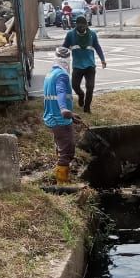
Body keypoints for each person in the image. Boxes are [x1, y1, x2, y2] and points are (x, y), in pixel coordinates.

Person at [42, 47, 76, 185]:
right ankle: (62, 183)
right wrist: (64, 109)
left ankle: (60, 174)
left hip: (52, 117)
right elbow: (61, 92)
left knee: (61, 147)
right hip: (60, 119)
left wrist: (72, 115)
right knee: (67, 150)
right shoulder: (62, 75)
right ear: (68, 61)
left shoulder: (50, 74)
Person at [64, 15, 107, 114]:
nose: (82, 28)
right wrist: (61, 61)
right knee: (75, 86)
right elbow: (64, 48)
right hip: (77, 65)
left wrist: (103, 60)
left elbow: (97, 47)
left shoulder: (92, 34)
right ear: (76, 25)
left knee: (90, 87)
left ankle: (87, 108)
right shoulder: (70, 35)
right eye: (80, 26)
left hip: (90, 65)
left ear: (86, 25)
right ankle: (81, 95)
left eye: (84, 26)